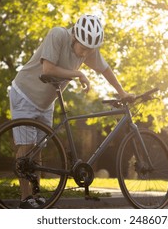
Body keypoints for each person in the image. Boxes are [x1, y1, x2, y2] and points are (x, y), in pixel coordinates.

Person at [9, 14, 135, 208]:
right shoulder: (58, 35)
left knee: (38, 150)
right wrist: (78, 73)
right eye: (83, 48)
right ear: (75, 37)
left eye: (89, 50)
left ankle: (36, 196)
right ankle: (25, 199)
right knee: (27, 148)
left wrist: (122, 92)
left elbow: (105, 70)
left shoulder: (88, 50)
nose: (85, 54)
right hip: (25, 93)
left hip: (45, 102)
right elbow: (48, 70)